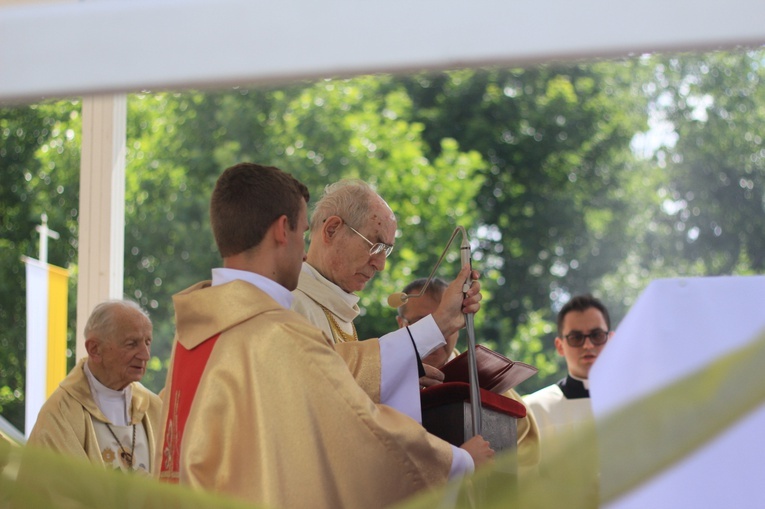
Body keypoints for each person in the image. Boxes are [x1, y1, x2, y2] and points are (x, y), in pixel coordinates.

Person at [156, 163, 493, 509]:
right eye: (303, 232)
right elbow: (348, 415)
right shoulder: (277, 327)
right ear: (282, 231)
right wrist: (457, 463)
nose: (381, 264)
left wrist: (398, 383)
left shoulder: (198, 329)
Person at [292, 179, 472, 420]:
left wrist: (399, 382)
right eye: (375, 245)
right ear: (332, 230)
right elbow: (319, 390)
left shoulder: (335, 308)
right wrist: (440, 323)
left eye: (386, 251)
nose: (381, 265)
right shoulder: (289, 303)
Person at [397, 277, 541, 475]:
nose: (436, 334)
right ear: (401, 324)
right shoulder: (386, 378)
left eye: (445, 321)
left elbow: (526, 453)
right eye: (422, 323)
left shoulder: (481, 378)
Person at [25, 299, 161, 474]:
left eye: (147, 342)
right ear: (95, 349)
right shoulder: (60, 413)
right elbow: (55, 493)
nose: (145, 355)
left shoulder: (155, 408)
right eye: (132, 344)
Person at [523, 294, 613, 467]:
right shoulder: (533, 410)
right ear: (559, 346)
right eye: (576, 338)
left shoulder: (639, 401)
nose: (588, 346)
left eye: (597, 335)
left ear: (611, 339)